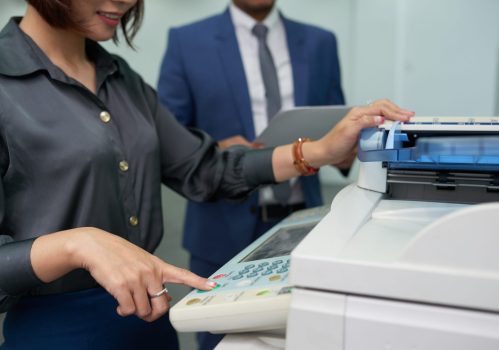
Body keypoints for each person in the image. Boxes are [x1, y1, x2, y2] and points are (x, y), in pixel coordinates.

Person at [0, 0, 413, 349]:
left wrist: (320, 150)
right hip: (56, 329)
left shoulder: (121, 78)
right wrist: (77, 244)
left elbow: (205, 168)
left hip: (152, 320)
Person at [156, 1, 346, 347]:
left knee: (308, 337)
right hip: (222, 227)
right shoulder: (188, 41)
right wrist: (213, 148)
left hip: (306, 224)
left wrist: (348, 146)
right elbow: (167, 137)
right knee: (223, 342)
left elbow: (335, 123)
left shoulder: (320, 42)